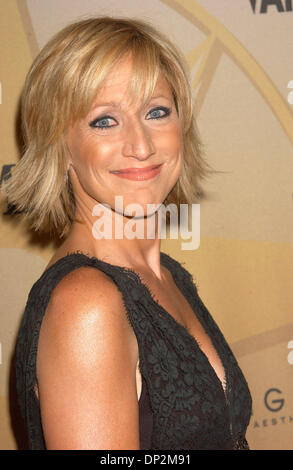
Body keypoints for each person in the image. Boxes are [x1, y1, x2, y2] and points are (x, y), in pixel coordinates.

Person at [3, 16, 252, 450]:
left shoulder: (165, 274)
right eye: (104, 120)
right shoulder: (87, 304)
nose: (141, 145)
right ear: (59, 145)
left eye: (157, 112)